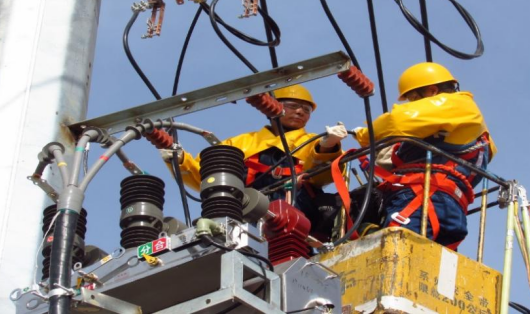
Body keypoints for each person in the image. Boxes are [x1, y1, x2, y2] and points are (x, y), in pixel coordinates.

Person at [353, 62, 496, 249]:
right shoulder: (470, 132)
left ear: (432, 91)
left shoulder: (457, 104)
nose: (412, 104)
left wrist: (364, 135)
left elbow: (396, 120)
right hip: (451, 207)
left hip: (422, 197)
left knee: (395, 250)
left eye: (414, 98)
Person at [179, 84, 347, 237]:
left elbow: (324, 176)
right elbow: (208, 178)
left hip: (297, 211)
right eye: (292, 105)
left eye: (306, 109)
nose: (300, 112)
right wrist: (179, 158)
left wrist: (327, 147)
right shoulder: (241, 143)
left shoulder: (313, 142)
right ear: (273, 106)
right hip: (247, 210)